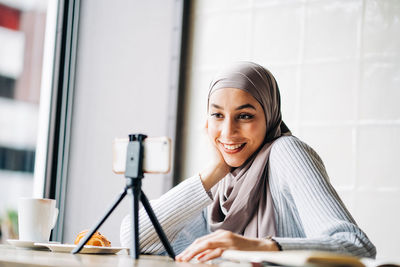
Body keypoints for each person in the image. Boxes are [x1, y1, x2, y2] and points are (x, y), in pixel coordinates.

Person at [120, 62, 376, 262]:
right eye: (217, 115)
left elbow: (356, 246)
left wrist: (261, 247)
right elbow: (134, 237)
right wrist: (215, 171)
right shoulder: (223, 182)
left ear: (270, 114)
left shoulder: (285, 152)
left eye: (244, 115)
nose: (228, 132)